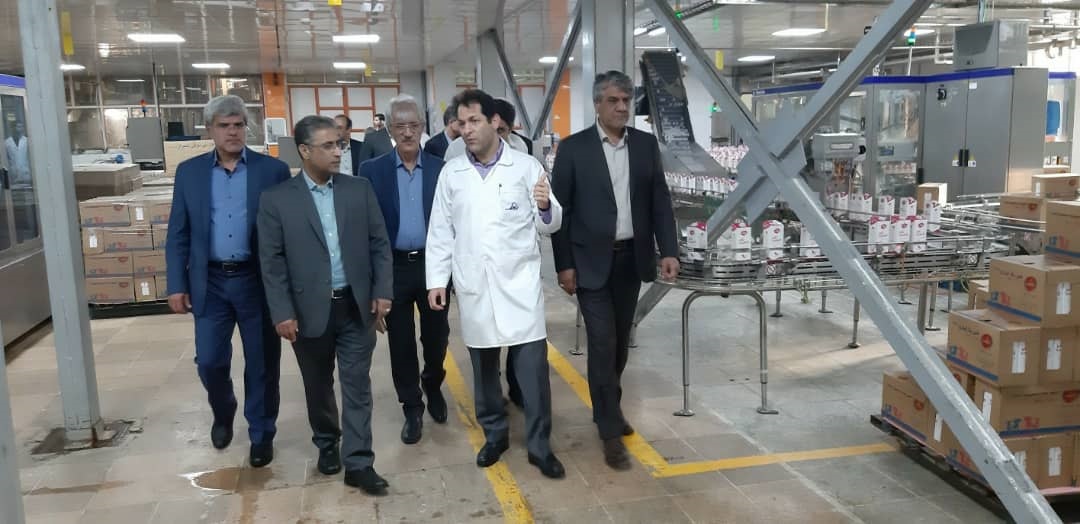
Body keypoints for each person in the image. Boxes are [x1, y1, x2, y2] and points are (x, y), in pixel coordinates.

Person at [426, 89, 565, 479]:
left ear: (494, 122)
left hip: (519, 286)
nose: (466, 130)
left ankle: (539, 446)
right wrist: (437, 280)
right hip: (474, 284)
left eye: (474, 121)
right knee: (484, 371)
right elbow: (441, 231)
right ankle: (495, 435)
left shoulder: (525, 166)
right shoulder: (452, 173)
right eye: (461, 123)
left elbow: (550, 224)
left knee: (532, 374)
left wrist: (544, 205)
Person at [549, 70, 679, 471]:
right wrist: (564, 264)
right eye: (613, 101)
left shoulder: (644, 145)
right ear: (597, 105)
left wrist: (668, 250)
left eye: (626, 100)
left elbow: (659, 200)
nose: (622, 107)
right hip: (589, 262)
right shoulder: (574, 149)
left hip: (630, 261)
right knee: (602, 344)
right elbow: (560, 213)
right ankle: (609, 430)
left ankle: (608, 405)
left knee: (620, 344)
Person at [257, 115, 394, 494]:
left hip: (355, 306)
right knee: (318, 385)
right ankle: (327, 441)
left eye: (340, 144)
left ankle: (359, 462)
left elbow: (379, 244)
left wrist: (383, 291)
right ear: (304, 151)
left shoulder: (358, 189)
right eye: (328, 146)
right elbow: (272, 262)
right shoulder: (277, 200)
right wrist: (282, 312)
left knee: (357, 385)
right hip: (307, 312)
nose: (337, 152)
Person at [165, 95, 290, 468]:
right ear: (210, 130)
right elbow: (178, 233)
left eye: (238, 125)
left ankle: (261, 433)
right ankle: (223, 410)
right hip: (211, 282)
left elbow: (287, 234)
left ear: (246, 127)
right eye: (224, 126)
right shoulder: (189, 173)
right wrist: (176, 283)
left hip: (257, 281)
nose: (232, 132)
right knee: (209, 361)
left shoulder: (273, 171)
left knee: (262, 363)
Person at [357, 94, 449, 445]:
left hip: (433, 267)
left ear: (422, 127)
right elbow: (365, 231)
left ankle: (433, 383)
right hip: (392, 268)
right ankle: (412, 406)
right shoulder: (372, 171)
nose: (407, 132)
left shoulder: (441, 169)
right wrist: (372, 286)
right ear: (390, 130)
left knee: (437, 337)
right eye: (400, 126)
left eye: (413, 125)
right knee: (400, 343)